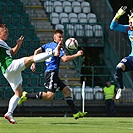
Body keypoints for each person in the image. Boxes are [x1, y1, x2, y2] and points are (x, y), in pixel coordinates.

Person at [18, 29, 87, 119]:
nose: (61, 39)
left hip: (52, 73)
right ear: (54, 37)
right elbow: (65, 59)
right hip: (51, 73)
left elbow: (36, 51)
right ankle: (26, 95)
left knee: (67, 91)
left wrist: (33, 62)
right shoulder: (58, 47)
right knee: (49, 96)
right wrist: (77, 55)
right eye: (59, 37)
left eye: (62, 37)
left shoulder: (47, 45)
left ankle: (75, 113)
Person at [0, 24, 62, 124]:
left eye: (7, 31)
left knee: (18, 93)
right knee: (30, 59)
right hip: (10, 66)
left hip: (8, 72)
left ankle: (9, 113)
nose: (7, 32)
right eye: (5, 31)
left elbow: (12, 52)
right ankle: (53, 52)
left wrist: (18, 44)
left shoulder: (3, 43)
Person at [110, 6, 133, 99]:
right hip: (132, 57)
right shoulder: (128, 29)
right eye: (129, 22)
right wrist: (117, 15)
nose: (129, 24)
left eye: (131, 22)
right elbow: (113, 26)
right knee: (119, 67)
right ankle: (121, 87)